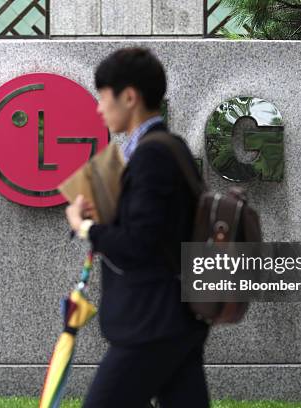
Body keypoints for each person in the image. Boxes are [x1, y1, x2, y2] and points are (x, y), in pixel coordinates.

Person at [65, 47, 210, 408]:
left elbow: (139, 243)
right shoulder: (168, 147)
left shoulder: (151, 155)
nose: (99, 108)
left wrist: (85, 227)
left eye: (102, 97)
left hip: (151, 322)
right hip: (176, 317)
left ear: (129, 97)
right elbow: (159, 231)